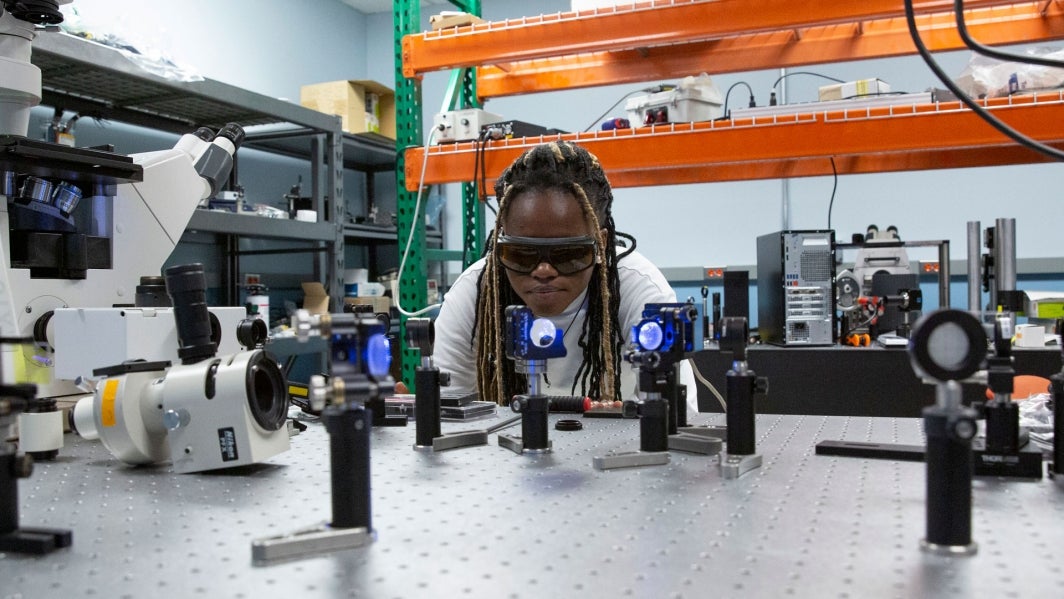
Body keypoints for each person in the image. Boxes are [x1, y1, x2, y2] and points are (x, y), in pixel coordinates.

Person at [432, 140, 696, 409]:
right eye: (522, 254)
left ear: (601, 244)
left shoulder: (639, 288)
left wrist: (624, 431)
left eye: (567, 254)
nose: (543, 270)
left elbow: (676, 423)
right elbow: (448, 419)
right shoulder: (474, 292)